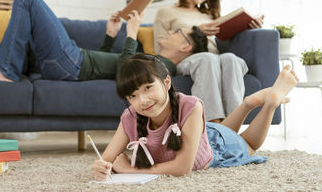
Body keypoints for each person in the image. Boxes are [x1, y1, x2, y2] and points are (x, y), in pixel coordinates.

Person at [91, 54, 298, 180]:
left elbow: (182, 168)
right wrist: (101, 168)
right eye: (133, 95)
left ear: (167, 82)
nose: (142, 100)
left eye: (148, 88)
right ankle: (248, 103)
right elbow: (107, 159)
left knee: (249, 145)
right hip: (202, 133)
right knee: (223, 132)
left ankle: (269, 103)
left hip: (217, 146)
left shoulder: (190, 105)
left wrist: (130, 171)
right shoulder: (129, 117)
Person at [0, 0, 208, 82]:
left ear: (186, 47)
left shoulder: (164, 67)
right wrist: (111, 36)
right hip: (73, 62)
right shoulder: (155, 60)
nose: (171, 32)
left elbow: (125, 74)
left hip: (71, 63)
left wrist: (132, 34)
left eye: (178, 32)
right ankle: (0, 66)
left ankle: (6, 71)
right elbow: (103, 65)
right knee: (27, 21)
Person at [153, 0, 265, 122]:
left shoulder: (209, 15)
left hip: (214, 57)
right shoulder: (166, 12)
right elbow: (160, 47)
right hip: (188, 58)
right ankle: (212, 124)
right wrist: (196, 30)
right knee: (207, 59)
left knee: (231, 59)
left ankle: (234, 122)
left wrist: (248, 26)